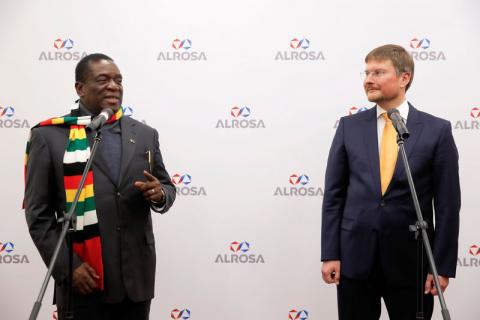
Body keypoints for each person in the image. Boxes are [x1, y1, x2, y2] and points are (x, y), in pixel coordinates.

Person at [24, 53, 176, 319]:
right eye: (103, 79)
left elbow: (166, 185)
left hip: (135, 282)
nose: (114, 86)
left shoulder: (144, 134)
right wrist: (67, 267)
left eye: (118, 80)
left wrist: (160, 194)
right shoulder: (49, 136)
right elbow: (38, 215)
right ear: (80, 88)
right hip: (84, 279)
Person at [321, 44, 460, 320]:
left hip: (413, 263)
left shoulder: (437, 131)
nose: (368, 79)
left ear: (404, 78)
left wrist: (441, 266)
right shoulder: (349, 127)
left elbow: (447, 206)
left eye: (379, 72)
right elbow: (334, 196)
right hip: (355, 258)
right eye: (367, 72)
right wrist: (330, 253)